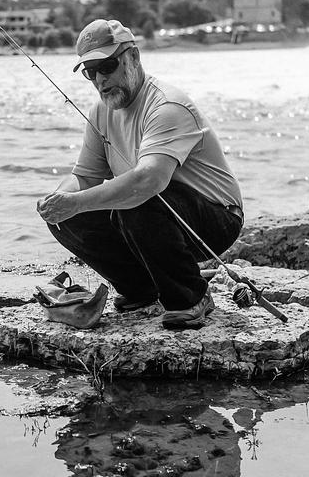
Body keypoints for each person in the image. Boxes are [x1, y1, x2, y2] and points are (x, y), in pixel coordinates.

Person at [36, 18, 244, 328]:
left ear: (133, 58)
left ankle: (191, 296)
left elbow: (150, 180)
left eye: (107, 66)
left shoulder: (167, 105)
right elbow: (85, 177)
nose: (100, 80)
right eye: (91, 73)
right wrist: (61, 201)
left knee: (138, 200)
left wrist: (78, 202)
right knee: (67, 215)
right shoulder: (100, 111)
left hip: (216, 218)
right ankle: (142, 290)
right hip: (153, 212)